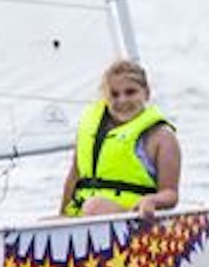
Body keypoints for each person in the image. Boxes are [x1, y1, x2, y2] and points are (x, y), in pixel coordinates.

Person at [56, 59, 182, 220]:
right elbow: (74, 177)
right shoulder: (90, 130)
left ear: (147, 92)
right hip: (83, 217)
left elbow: (170, 194)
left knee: (94, 207)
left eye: (130, 92)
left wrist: (151, 200)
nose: (122, 100)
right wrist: (61, 216)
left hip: (134, 222)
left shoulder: (162, 137)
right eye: (114, 94)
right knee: (43, 224)